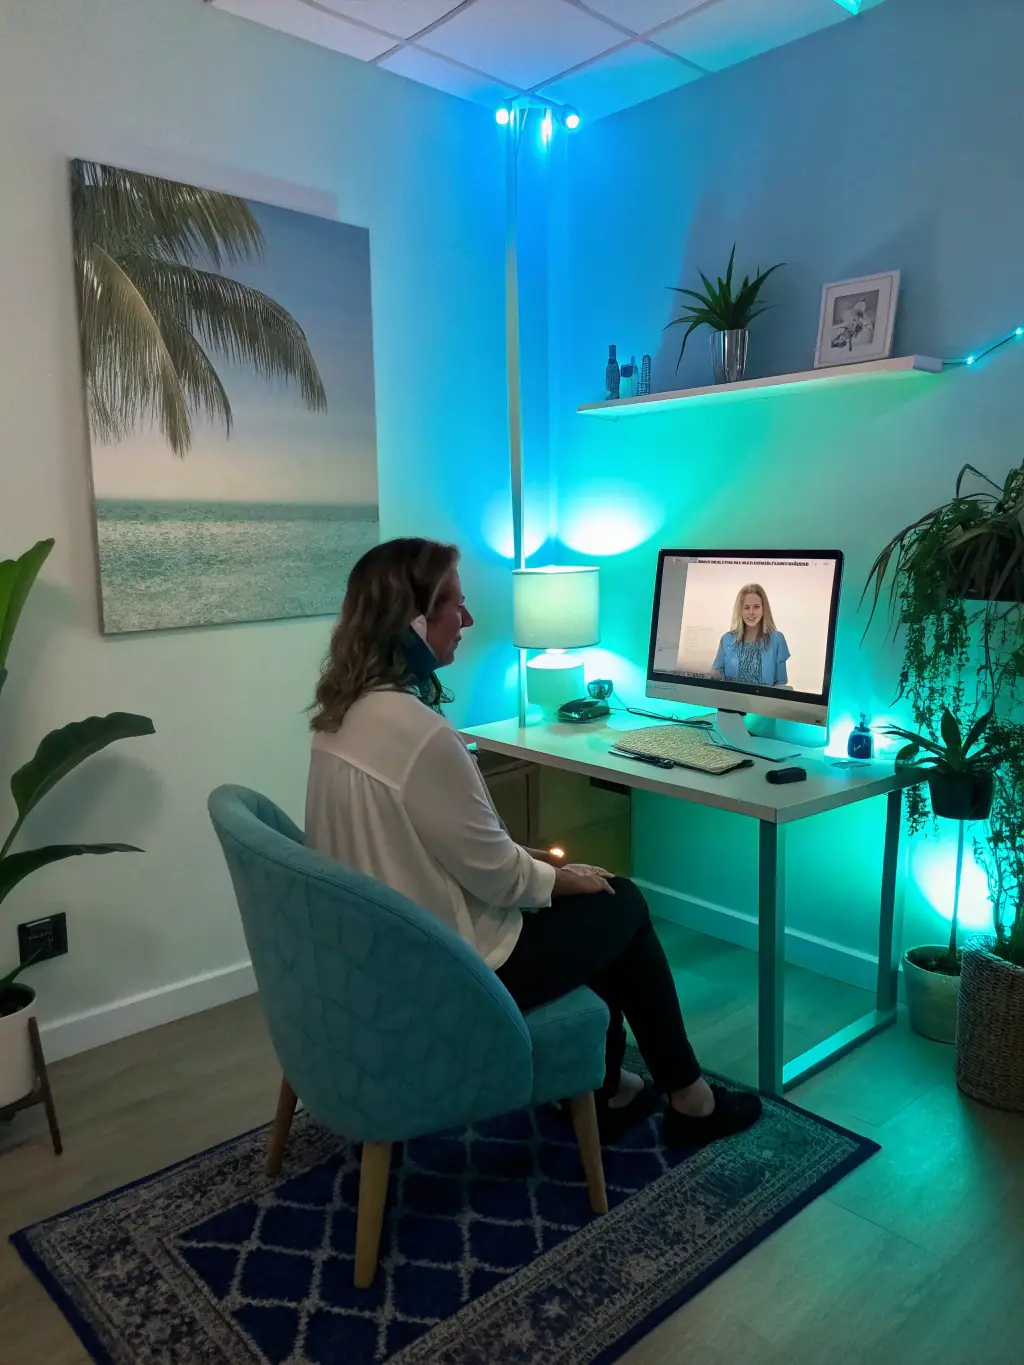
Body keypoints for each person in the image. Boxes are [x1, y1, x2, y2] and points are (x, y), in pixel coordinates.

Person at [306, 538, 761, 1148]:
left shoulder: (340, 717)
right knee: (621, 901)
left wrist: (550, 876)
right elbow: (495, 873)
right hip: (451, 972)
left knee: (591, 897)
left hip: (385, 957)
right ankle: (687, 1099)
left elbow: (466, 850)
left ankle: (608, 1087)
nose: (467, 621)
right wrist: (558, 877)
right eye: (456, 607)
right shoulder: (421, 735)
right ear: (413, 622)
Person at [710, 583, 790, 687]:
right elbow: (715, 677)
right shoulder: (727, 640)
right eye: (746, 608)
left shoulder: (777, 639)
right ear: (740, 611)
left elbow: (781, 683)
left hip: (765, 702)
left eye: (756, 607)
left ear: (763, 609)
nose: (751, 612)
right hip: (731, 700)